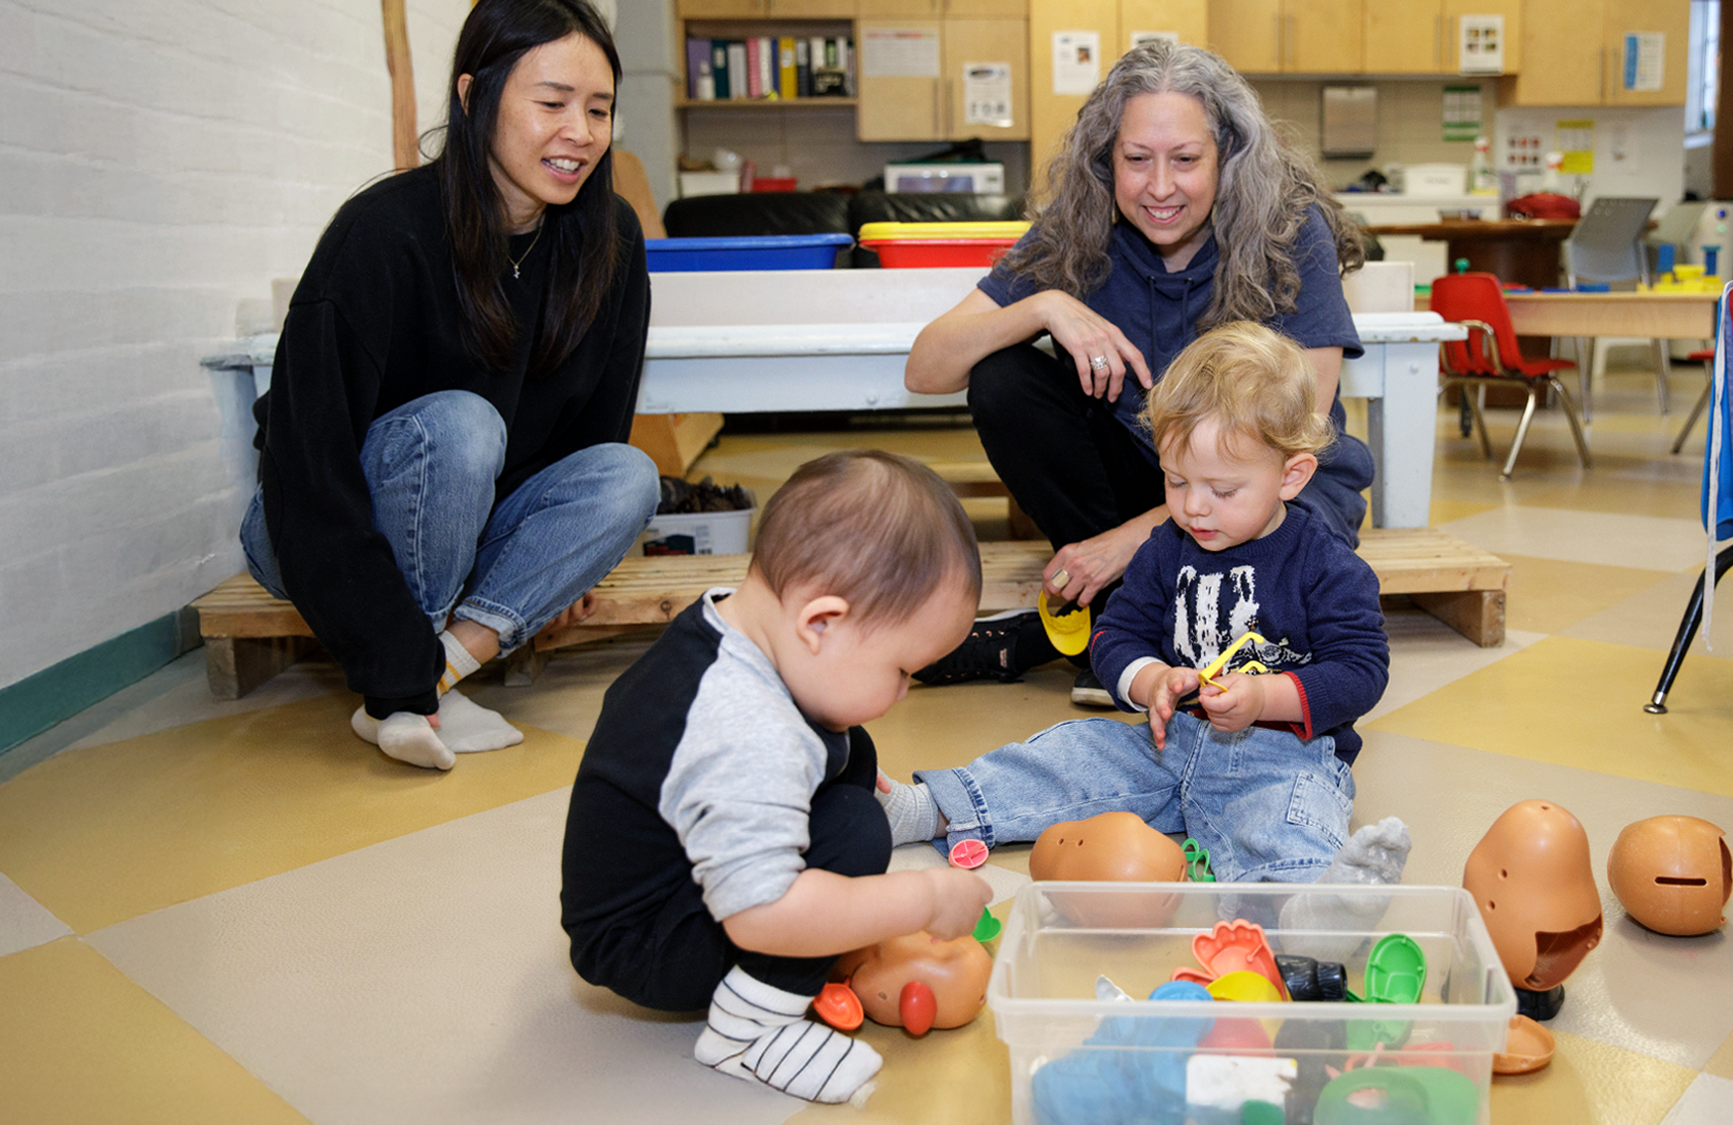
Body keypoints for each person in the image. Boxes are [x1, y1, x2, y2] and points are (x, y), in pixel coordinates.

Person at [240, 0, 660, 771]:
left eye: (599, 109)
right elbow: (310, 463)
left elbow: (593, 439)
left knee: (628, 475)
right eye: (552, 103)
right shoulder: (381, 232)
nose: (581, 132)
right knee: (461, 427)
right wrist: (387, 656)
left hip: (470, 529)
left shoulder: (610, 241)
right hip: (311, 526)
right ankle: (403, 681)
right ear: (474, 97)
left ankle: (432, 677)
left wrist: (564, 559)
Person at [903, 40, 1371, 705]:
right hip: (1158, 479)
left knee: (1278, 535)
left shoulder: (1290, 231)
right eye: (1136, 160)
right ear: (1105, 159)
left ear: (1228, 157)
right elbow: (926, 367)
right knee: (1003, 376)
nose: (1159, 188)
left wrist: (1126, 542)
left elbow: (1303, 436)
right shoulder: (1077, 230)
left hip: (1273, 491)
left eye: (1185, 160)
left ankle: (1071, 635)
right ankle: (1125, 625)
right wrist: (1044, 305)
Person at [877, 324, 1391, 885]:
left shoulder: (1326, 564)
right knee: (1069, 757)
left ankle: (1313, 900)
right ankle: (928, 809)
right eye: (1175, 481)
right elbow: (1115, 636)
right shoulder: (1165, 548)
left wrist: (1268, 695)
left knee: (1290, 817)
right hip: (1163, 744)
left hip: (1281, 757)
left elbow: (1361, 670)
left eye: (1222, 491)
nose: (1194, 508)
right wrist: (1150, 682)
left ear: (1291, 476)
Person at [560, 451, 994, 1106]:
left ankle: (899, 810)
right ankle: (748, 1029)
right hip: (648, 938)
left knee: (843, 730)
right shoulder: (745, 729)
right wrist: (925, 899)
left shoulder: (741, 628)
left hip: (686, 861)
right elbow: (762, 917)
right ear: (820, 621)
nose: (906, 692)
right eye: (903, 669)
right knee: (853, 833)